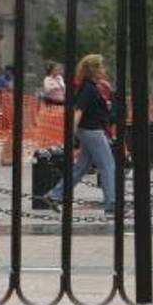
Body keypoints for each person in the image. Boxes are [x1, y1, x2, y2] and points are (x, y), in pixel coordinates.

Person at [42, 54, 116, 217]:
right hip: (92, 131)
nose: (104, 70)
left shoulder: (89, 87)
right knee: (108, 165)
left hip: (89, 131)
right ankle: (112, 203)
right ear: (93, 69)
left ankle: (55, 195)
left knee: (81, 167)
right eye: (101, 67)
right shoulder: (88, 88)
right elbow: (78, 111)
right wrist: (71, 133)